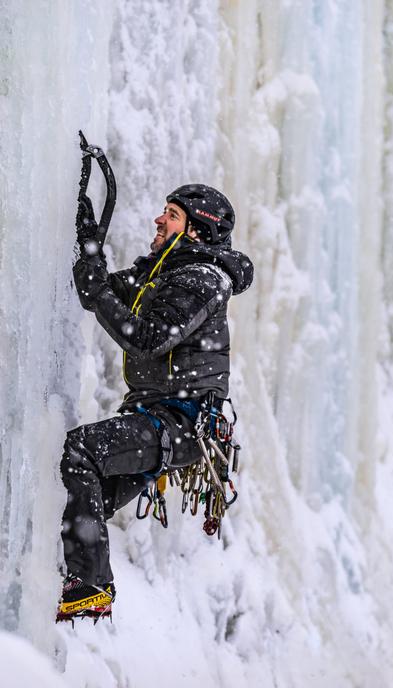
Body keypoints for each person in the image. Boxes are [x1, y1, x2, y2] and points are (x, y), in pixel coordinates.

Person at [57, 184, 254, 620]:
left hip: (178, 423)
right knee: (76, 501)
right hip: (159, 420)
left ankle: (89, 585)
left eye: (171, 214)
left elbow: (147, 338)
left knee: (80, 451)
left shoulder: (203, 278)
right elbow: (102, 289)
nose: (158, 220)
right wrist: (90, 245)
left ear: (197, 231)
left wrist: (96, 287)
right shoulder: (162, 273)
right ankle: (69, 589)